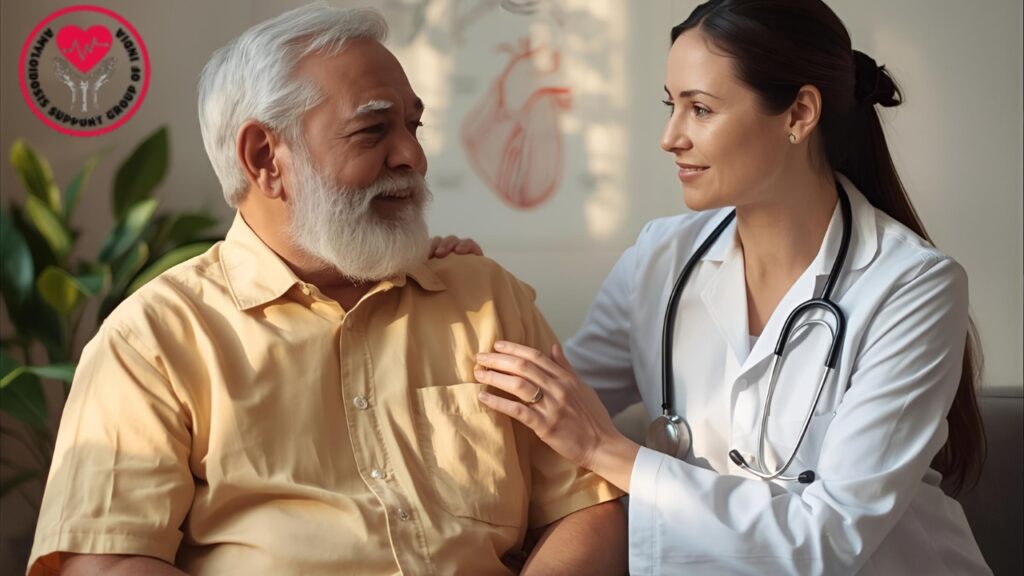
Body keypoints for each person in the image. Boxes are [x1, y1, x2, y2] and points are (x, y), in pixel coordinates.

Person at [26, 5, 627, 575]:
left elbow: (586, 508)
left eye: (413, 126)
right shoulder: (152, 340)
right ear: (265, 158)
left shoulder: (487, 298)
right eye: (373, 131)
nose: (413, 156)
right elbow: (107, 560)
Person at [472, 0, 991, 573]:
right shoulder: (660, 257)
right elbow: (544, 400)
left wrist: (609, 452)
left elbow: (827, 539)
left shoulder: (913, 287)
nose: (671, 137)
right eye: (671, 106)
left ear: (798, 113)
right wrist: (449, 278)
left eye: (700, 109)